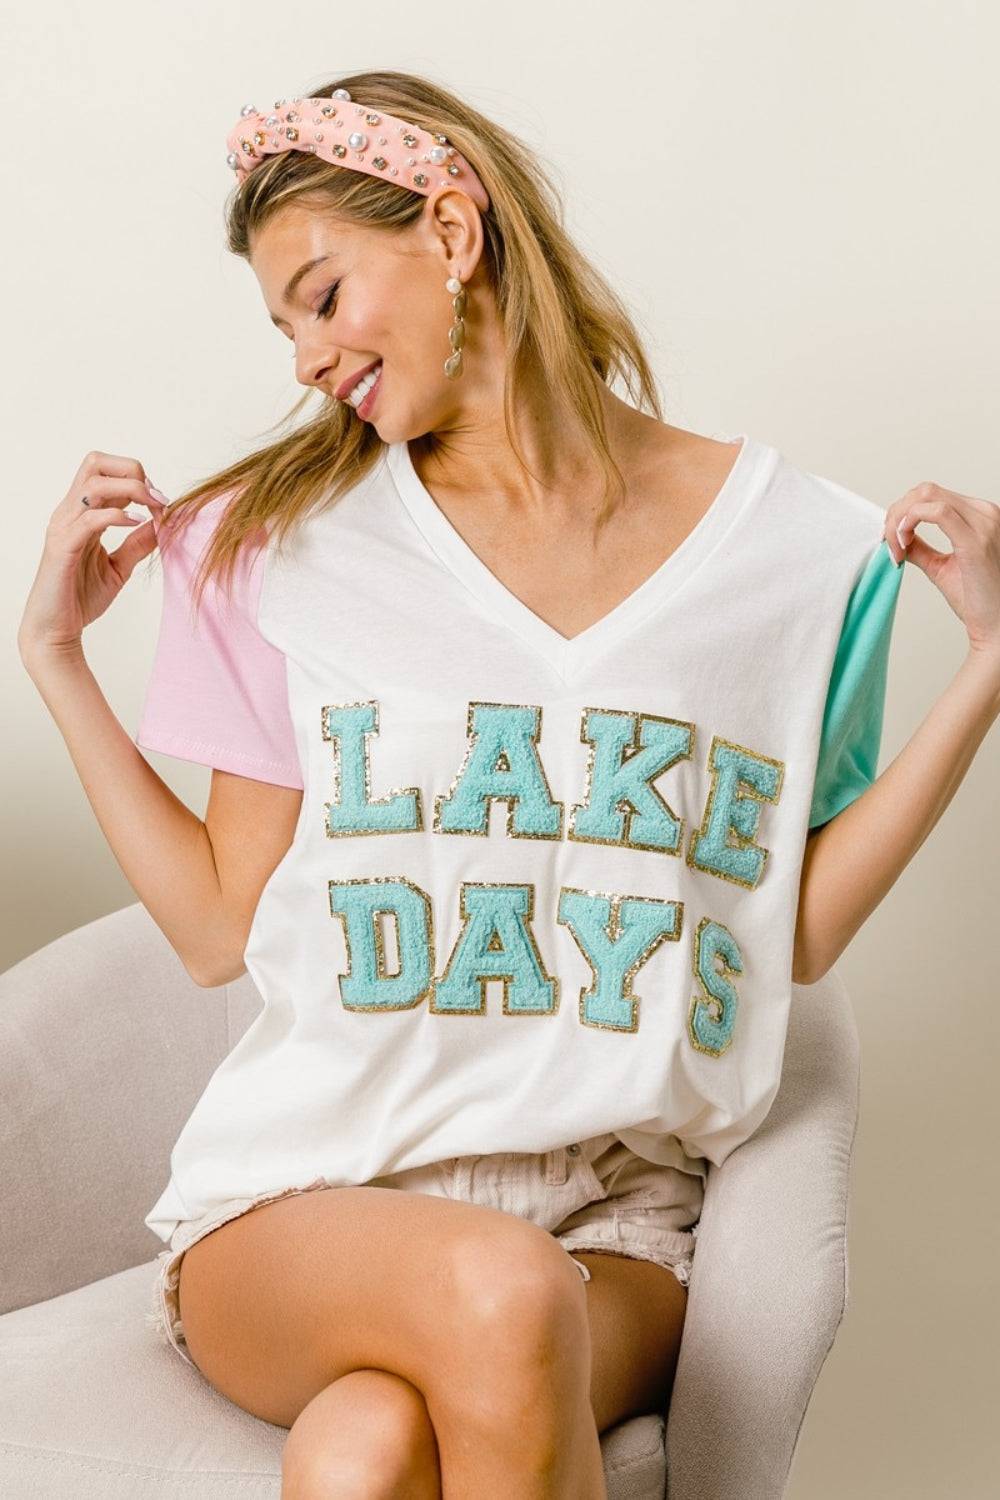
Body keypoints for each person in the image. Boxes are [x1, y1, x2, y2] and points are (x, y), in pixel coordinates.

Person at [17, 68, 1000, 1500]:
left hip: (614, 1227)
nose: (304, 354)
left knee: (365, 1450)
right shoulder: (278, 549)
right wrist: (54, 659)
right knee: (496, 1290)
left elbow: (782, 932)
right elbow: (218, 928)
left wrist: (984, 668)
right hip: (307, 1205)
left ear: (453, 231)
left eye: (322, 291)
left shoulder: (794, 560)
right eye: (283, 321)